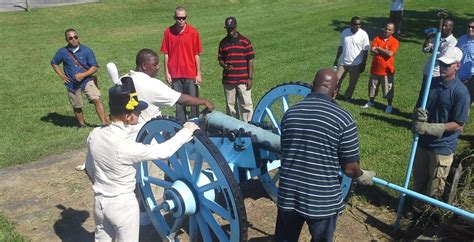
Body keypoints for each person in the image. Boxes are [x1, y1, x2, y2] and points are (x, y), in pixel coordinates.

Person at [86, 84, 199, 242]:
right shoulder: (124, 146)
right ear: (128, 116)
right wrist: (186, 131)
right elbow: (162, 152)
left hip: (99, 202)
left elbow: (89, 168)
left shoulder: (94, 134)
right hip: (123, 205)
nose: (140, 114)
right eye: (137, 111)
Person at [274, 68, 376, 241]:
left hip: (288, 194)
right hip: (321, 201)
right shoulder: (344, 119)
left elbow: (286, 152)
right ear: (335, 92)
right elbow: (350, 168)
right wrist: (362, 176)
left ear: (313, 86)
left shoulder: (290, 113)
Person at [413, 47, 470, 209]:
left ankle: (427, 220)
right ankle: (415, 209)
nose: (442, 67)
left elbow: (459, 124)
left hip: (442, 148)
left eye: (447, 65)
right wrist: (418, 115)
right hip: (423, 144)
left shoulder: (461, 93)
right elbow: (418, 106)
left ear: (457, 66)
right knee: (419, 181)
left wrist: (430, 128)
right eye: (441, 63)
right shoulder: (431, 84)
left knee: (435, 188)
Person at [125, 48, 214, 123]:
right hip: (152, 135)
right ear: (144, 66)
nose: (158, 67)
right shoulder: (152, 84)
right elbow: (181, 99)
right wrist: (205, 102)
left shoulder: (124, 79)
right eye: (155, 64)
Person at [51, 28, 109, 128]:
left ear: (78, 38)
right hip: (72, 83)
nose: (73, 39)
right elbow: (54, 62)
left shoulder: (87, 50)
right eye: (70, 38)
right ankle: (81, 125)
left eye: (75, 37)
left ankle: (104, 122)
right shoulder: (62, 52)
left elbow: (94, 67)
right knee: (77, 106)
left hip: (87, 80)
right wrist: (62, 76)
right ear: (67, 40)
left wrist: (84, 75)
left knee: (96, 98)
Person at [160, 5, 203, 122]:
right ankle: (180, 124)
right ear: (174, 17)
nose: (181, 20)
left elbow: (196, 55)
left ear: (186, 18)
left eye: (183, 18)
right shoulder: (168, 32)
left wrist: (198, 73)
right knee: (178, 102)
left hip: (190, 72)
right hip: (175, 74)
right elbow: (166, 54)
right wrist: (167, 73)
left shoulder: (193, 32)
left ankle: (194, 123)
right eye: (178, 18)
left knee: (193, 101)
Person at [218, 16, 255, 123]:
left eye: (232, 28)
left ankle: (249, 127)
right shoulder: (223, 43)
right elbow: (220, 59)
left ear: (236, 27)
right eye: (228, 28)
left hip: (243, 79)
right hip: (229, 80)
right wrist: (224, 65)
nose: (230, 31)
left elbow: (250, 60)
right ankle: (234, 128)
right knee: (231, 107)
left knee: (246, 106)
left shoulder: (245, 41)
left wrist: (250, 78)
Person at [362, 23, 400, 113]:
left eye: (390, 29)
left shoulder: (395, 41)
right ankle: (371, 101)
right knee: (372, 87)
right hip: (375, 69)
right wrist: (383, 51)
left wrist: (379, 48)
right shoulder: (377, 38)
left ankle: (389, 105)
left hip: (387, 71)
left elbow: (390, 54)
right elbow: (372, 50)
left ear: (393, 31)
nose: (387, 31)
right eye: (386, 29)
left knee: (388, 89)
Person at [333, 16, 370, 101]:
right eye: (355, 24)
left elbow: (365, 51)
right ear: (351, 24)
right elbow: (341, 47)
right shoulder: (345, 32)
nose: (357, 26)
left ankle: (347, 97)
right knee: (336, 80)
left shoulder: (363, 34)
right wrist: (336, 59)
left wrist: (363, 64)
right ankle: (334, 95)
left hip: (356, 64)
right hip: (342, 63)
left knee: (352, 83)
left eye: (359, 24)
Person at [456, 18, 474, 104]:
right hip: (458, 76)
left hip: (471, 78)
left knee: (466, 102)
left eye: (473, 27)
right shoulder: (462, 39)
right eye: (469, 27)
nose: (470, 29)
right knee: (456, 100)